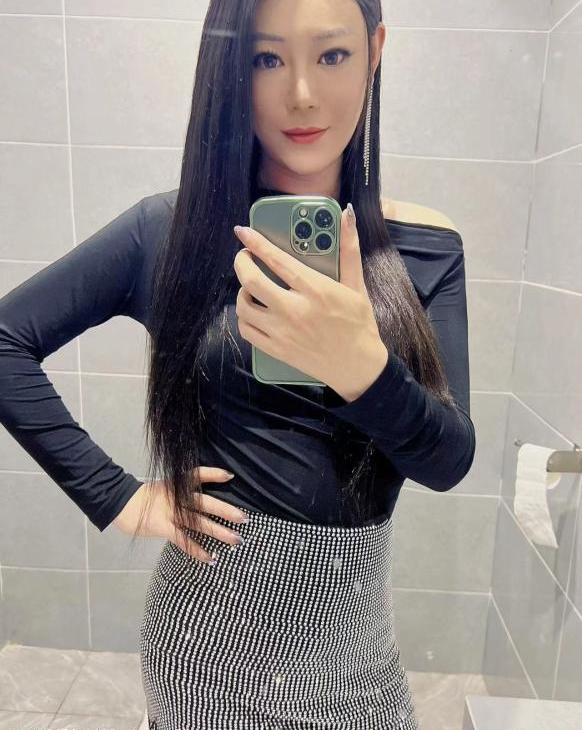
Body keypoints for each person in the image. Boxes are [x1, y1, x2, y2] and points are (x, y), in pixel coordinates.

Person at [0, 0, 475, 728]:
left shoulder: (427, 247)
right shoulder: (170, 232)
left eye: (332, 55)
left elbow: (447, 462)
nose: (301, 94)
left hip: (361, 652)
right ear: (232, 66)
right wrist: (119, 496)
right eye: (266, 58)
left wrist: (362, 368)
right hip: (210, 649)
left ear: (375, 51)